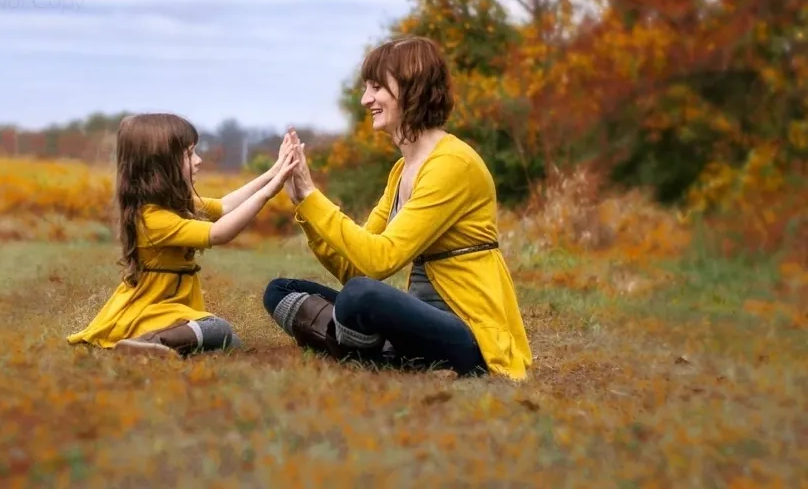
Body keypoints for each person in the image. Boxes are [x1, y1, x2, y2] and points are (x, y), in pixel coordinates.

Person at [263, 35, 533, 380]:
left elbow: (381, 259)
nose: (366, 99)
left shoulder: (453, 164)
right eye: (366, 88)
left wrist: (314, 196)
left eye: (376, 87)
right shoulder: (401, 170)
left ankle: (369, 351)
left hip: (470, 334)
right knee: (281, 290)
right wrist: (303, 203)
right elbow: (354, 268)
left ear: (410, 88)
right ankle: (381, 350)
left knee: (359, 297)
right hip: (417, 320)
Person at [67, 113, 299, 357]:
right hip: (151, 310)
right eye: (189, 154)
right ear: (160, 163)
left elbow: (225, 206)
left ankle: (162, 342)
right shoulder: (153, 218)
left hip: (171, 307)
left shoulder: (174, 205)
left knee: (230, 341)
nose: (198, 161)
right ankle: (150, 341)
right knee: (217, 328)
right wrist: (270, 191)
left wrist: (273, 172)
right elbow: (219, 233)